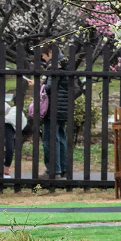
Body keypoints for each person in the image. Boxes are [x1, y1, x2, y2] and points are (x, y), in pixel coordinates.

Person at [39, 45, 73, 180]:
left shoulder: (54, 65)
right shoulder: (66, 63)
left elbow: (50, 87)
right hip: (64, 106)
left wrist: (40, 84)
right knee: (61, 137)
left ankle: (53, 170)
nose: (43, 57)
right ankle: (63, 169)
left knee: (50, 139)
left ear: (50, 52)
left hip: (53, 106)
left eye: (44, 54)